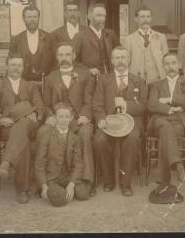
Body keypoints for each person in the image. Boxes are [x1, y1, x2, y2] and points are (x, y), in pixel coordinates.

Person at [0, 53, 45, 203]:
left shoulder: (31, 85)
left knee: (24, 123)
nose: (16, 68)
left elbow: (39, 106)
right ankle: (22, 189)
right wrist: (0, 119)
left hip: (30, 125)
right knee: (22, 139)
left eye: (19, 65)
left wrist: (34, 113)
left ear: (23, 67)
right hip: (8, 127)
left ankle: (6, 163)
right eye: (13, 65)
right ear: (7, 66)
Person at [41, 42, 96, 196]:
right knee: (44, 132)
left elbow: (89, 101)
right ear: (57, 57)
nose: (64, 58)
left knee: (85, 134)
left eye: (67, 55)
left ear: (73, 56)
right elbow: (45, 104)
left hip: (79, 118)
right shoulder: (50, 78)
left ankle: (87, 180)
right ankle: (46, 181)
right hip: (58, 119)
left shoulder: (85, 75)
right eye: (61, 55)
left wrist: (85, 115)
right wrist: (50, 116)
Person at [92, 47, 148, 196]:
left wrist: (126, 105)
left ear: (129, 60)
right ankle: (109, 179)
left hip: (132, 121)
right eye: (117, 58)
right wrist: (101, 119)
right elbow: (97, 104)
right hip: (109, 121)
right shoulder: (103, 80)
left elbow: (143, 106)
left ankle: (125, 182)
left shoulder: (139, 81)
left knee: (133, 138)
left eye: (123, 58)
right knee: (99, 140)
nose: (120, 61)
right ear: (111, 61)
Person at [147, 52, 185, 185]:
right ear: (163, 66)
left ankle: (163, 180)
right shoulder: (156, 85)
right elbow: (152, 105)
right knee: (165, 127)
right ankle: (178, 164)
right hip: (160, 120)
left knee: (166, 133)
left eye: (173, 63)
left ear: (179, 65)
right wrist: (170, 109)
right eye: (167, 64)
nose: (170, 67)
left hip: (180, 122)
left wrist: (170, 100)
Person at [35, 103, 90, 207]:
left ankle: (63, 190)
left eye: (66, 117)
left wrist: (71, 184)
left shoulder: (75, 138)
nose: (64, 120)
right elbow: (39, 165)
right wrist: (44, 186)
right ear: (55, 118)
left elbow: (78, 164)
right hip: (52, 178)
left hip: (67, 177)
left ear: (71, 118)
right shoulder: (46, 136)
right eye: (60, 117)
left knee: (84, 194)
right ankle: (54, 191)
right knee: (60, 200)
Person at [123, 5, 169, 84]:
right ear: (136, 19)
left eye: (148, 16)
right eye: (142, 17)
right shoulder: (128, 39)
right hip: (136, 80)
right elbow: (125, 62)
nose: (145, 20)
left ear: (151, 19)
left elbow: (167, 59)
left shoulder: (161, 37)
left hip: (157, 80)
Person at [8, 5, 55, 81]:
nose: (32, 20)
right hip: (23, 83)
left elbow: (56, 62)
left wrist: (50, 79)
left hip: (45, 83)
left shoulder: (49, 37)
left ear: (39, 18)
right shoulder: (16, 39)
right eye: (29, 17)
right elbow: (10, 61)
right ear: (23, 19)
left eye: (34, 16)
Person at [73, 3, 120, 76]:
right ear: (89, 16)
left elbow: (120, 54)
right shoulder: (80, 36)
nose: (102, 19)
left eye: (104, 16)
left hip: (110, 78)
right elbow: (72, 61)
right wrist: (87, 70)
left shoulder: (111, 34)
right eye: (99, 15)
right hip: (91, 79)